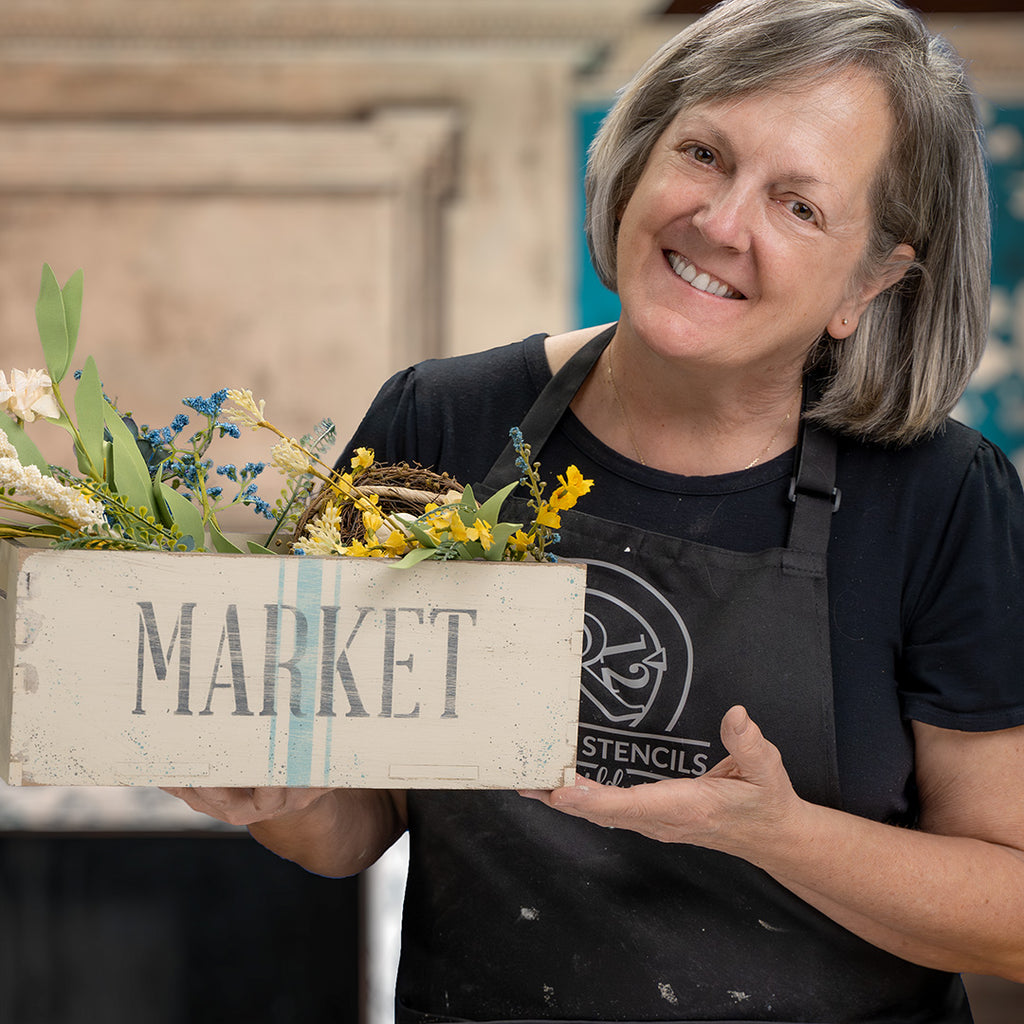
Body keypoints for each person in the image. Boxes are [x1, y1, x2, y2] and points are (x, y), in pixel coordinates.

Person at [167, 0, 1024, 1020]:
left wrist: (770, 830)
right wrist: (276, 794)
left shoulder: (937, 498)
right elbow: (363, 817)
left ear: (870, 280)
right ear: (638, 158)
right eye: (703, 154)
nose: (719, 221)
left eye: (798, 207)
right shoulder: (440, 420)